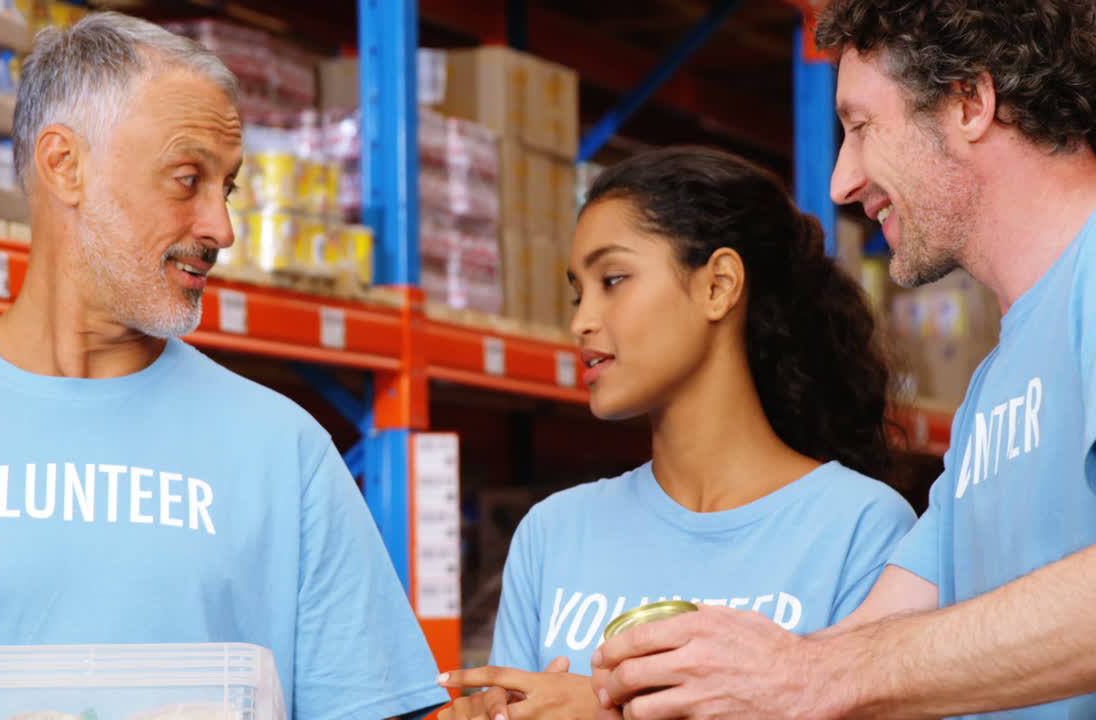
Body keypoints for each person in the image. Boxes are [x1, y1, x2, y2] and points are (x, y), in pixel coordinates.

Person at [0, 12, 449, 720]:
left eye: (227, 188)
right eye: (187, 179)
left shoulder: (285, 453)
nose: (222, 228)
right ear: (65, 165)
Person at [590, 2, 1096, 719]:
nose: (840, 183)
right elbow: (866, 640)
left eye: (860, 127)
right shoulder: (995, 381)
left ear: (969, 102)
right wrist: (712, 683)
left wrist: (821, 673)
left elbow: (839, 669)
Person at [433, 146, 916, 719]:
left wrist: (610, 712)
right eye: (577, 292)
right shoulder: (552, 534)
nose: (581, 320)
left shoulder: (859, 530)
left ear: (718, 285)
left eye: (613, 279)